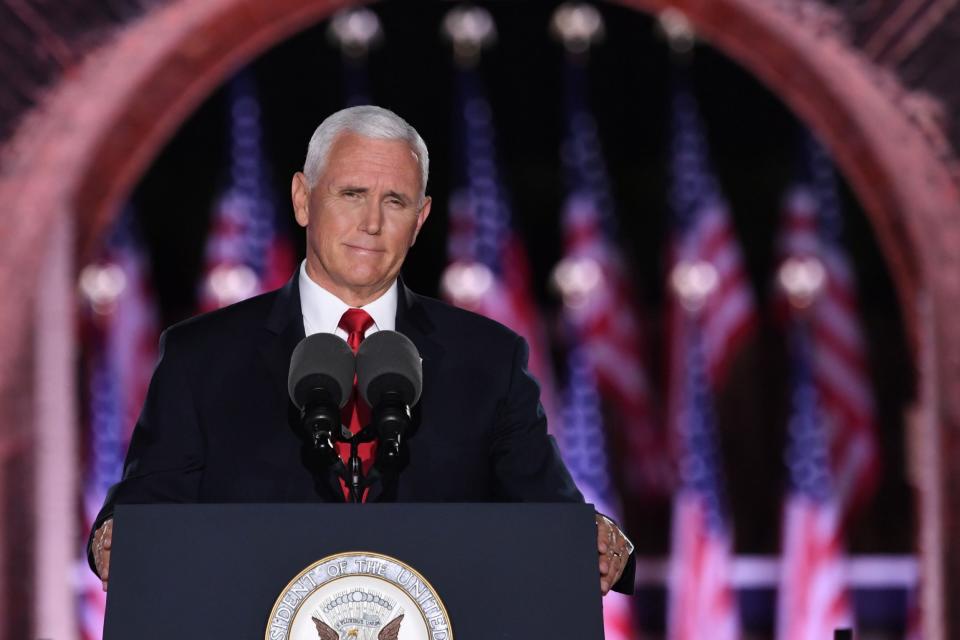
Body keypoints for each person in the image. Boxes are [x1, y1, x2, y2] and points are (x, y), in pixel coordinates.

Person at [89, 105, 635, 596]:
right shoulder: (202, 357)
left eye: (394, 201)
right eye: (351, 194)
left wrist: (599, 544)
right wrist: (114, 536)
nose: (371, 224)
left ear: (419, 220)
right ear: (303, 199)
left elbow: (550, 516)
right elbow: (151, 503)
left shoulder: (488, 359)